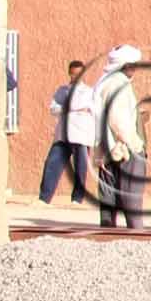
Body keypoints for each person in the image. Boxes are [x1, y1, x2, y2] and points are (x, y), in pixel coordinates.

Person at [90, 46, 147, 230]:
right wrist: (133, 144)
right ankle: (136, 232)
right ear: (125, 65)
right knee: (131, 194)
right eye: (133, 65)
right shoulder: (118, 84)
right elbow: (118, 117)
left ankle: (108, 233)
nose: (136, 68)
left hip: (106, 147)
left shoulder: (105, 82)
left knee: (108, 195)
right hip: (124, 148)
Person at [40, 59, 91, 206]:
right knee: (52, 164)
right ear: (70, 74)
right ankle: (44, 198)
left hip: (81, 135)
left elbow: (91, 110)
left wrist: (69, 108)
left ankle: (77, 199)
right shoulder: (62, 90)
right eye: (74, 74)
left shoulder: (88, 92)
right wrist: (73, 109)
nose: (76, 77)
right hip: (63, 135)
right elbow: (53, 109)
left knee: (80, 168)